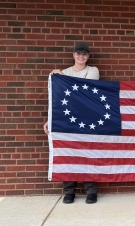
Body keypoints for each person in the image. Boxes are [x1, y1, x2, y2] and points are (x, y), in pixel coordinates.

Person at [43, 42, 100, 204]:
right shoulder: (65, 72)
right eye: (78, 54)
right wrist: (51, 119)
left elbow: (84, 90)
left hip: (88, 118)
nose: (81, 56)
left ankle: (91, 190)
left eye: (84, 54)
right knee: (68, 154)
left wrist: (61, 77)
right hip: (66, 119)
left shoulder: (92, 70)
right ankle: (69, 191)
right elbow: (57, 99)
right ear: (73, 55)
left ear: (88, 56)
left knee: (88, 154)